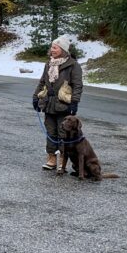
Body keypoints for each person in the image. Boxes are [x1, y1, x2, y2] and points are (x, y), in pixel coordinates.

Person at [32, 34, 83, 172]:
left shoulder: (73, 65)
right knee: (50, 132)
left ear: (63, 50)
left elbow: (77, 86)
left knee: (63, 133)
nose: (52, 50)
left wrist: (74, 102)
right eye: (52, 47)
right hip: (48, 103)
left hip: (64, 105)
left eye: (55, 47)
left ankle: (63, 161)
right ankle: (51, 159)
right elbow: (42, 82)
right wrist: (35, 97)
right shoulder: (49, 64)